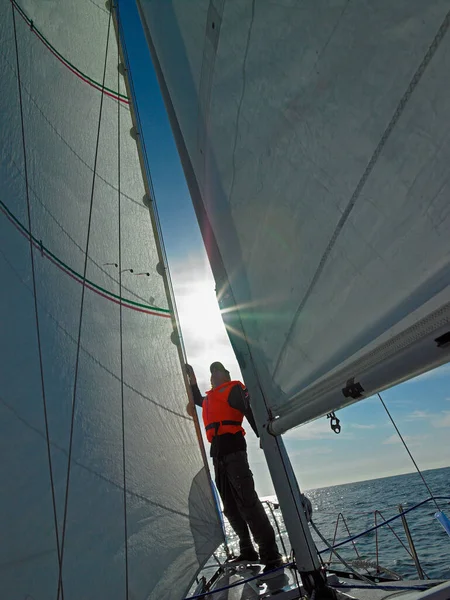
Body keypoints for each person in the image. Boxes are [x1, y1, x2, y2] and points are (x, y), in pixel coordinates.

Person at [185, 361, 283, 573]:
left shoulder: (234, 389)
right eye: (211, 373)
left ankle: (271, 554)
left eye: (217, 371)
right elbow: (197, 399)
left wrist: (264, 435)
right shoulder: (211, 397)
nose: (212, 375)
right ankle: (247, 549)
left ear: (226, 375)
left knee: (247, 503)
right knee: (229, 506)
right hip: (218, 455)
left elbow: (249, 410)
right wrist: (191, 378)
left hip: (234, 451)